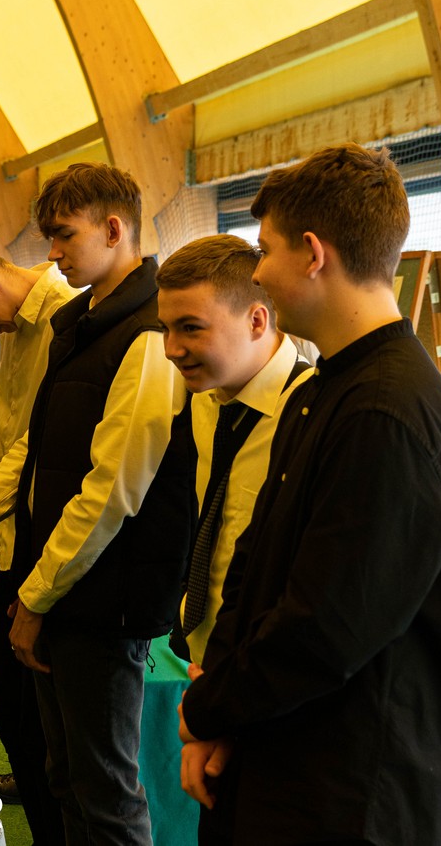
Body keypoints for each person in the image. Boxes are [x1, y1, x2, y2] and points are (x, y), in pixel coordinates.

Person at [177, 144, 441, 844]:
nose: (257, 272)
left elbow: (326, 628)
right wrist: (219, 707)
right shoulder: (324, 390)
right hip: (287, 758)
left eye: (265, 250)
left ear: (312, 254)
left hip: (355, 793)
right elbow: (256, 565)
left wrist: (208, 709)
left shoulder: (387, 413)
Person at [0, 162, 193, 845]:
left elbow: (111, 490)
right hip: (63, 590)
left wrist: (36, 594)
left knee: (105, 794)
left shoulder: (147, 332)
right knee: (66, 780)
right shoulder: (78, 321)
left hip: (104, 601)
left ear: (113, 229)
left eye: (63, 235)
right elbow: (33, 449)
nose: (52, 253)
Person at [0, 244, 78, 843]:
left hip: (55, 558)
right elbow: (15, 453)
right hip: (17, 544)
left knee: (62, 747)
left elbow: (36, 451)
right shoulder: (18, 323)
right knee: (15, 715)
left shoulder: (66, 317)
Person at [155, 235, 313, 669]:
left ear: (256, 321)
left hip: (273, 664)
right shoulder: (205, 400)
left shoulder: (314, 411)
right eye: (165, 328)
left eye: (191, 327)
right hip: (208, 647)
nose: (171, 349)